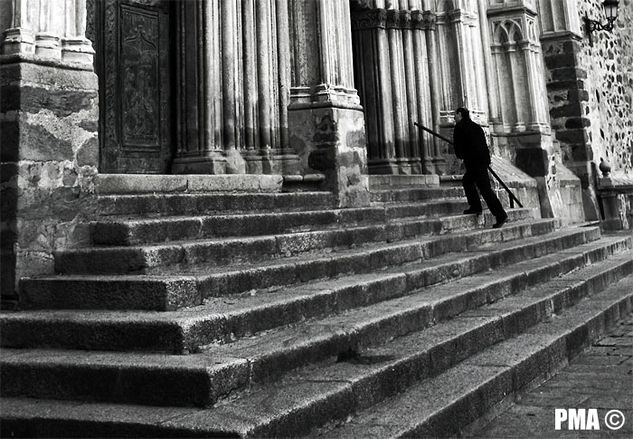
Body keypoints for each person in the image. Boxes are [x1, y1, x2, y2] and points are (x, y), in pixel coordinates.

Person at [453, 107, 508, 228]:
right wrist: (486, 161)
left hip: (473, 162)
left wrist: (460, 156)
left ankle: (498, 214)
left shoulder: (460, 127)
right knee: (477, 185)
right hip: (482, 162)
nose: (454, 117)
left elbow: (458, 145)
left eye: (455, 115)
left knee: (477, 186)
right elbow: (484, 145)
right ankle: (478, 207)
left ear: (460, 114)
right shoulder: (476, 127)